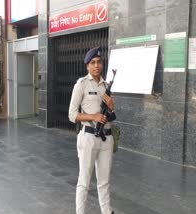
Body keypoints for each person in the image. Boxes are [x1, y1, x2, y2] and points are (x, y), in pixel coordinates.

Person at [68, 47, 116, 214]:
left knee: (104, 181)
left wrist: (111, 108)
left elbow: (111, 117)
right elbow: (72, 115)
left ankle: (107, 211)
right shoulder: (81, 85)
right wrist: (92, 116)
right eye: (93, 63)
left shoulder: (106, 86)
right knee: (85, 181)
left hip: (106, 139)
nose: (96, 65)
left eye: (99, 62)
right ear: (87, 66)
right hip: (88, 137)